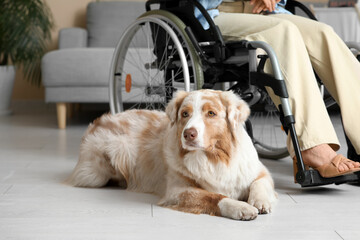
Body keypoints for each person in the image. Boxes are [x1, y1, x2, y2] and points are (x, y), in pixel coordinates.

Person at [195, 0, 360, 179]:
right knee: (283, 31)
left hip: (263, 11)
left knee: (323, 33)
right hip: (215, 13)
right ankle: (311, 146)